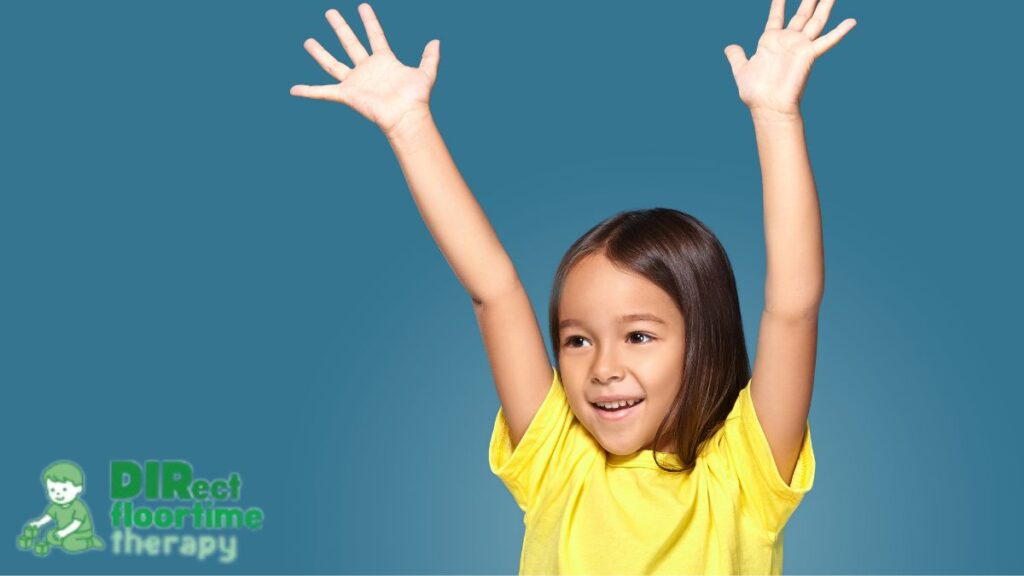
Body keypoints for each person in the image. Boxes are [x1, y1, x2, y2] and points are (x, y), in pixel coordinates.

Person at [290, 0, 855, 572]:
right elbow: (493, 289)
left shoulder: (745, 475)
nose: (602, 367)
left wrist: (777, 117)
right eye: (577, 341)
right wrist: (409, 126)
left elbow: (792, 308)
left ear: (703, 339)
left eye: (638, 336)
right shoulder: (557, 459)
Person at [18, 460, 106, 556]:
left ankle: (90, 541)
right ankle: (59, 542)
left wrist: (63, 533)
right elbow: (48, 516)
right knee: (49, 535)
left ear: (78, 489)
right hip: (62, 531)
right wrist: (38, 523)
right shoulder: (55, 507)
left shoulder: (79, 506)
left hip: (81, 533)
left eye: (64, 489)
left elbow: (76, 524)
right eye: (52, 490)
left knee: (69, 545)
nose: (58, 493)